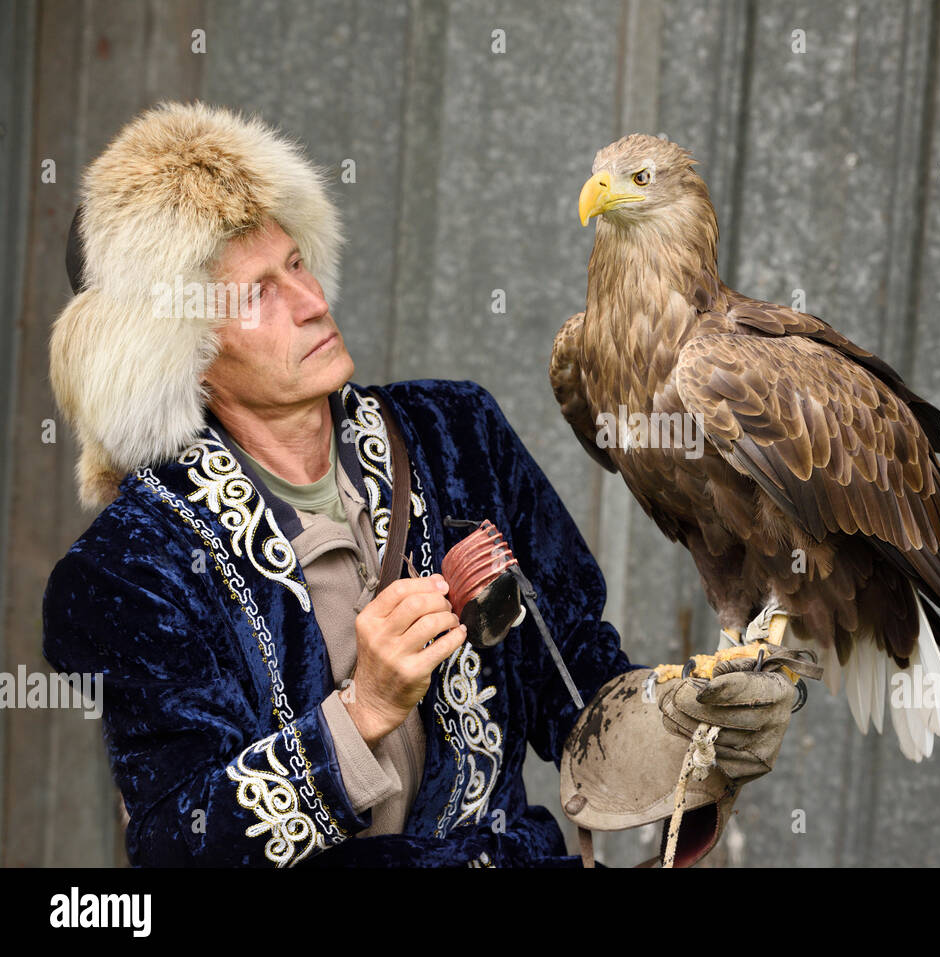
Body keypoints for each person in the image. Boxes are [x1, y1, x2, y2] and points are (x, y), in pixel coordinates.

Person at [41, 101, 804, 868]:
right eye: (256, 294)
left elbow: (575, 681)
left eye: (297, 264)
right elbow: (181, 845)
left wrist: (689, 731)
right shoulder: (132, 568)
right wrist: (363, 709)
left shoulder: (457, 432)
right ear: (185, 350)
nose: (311, 304)